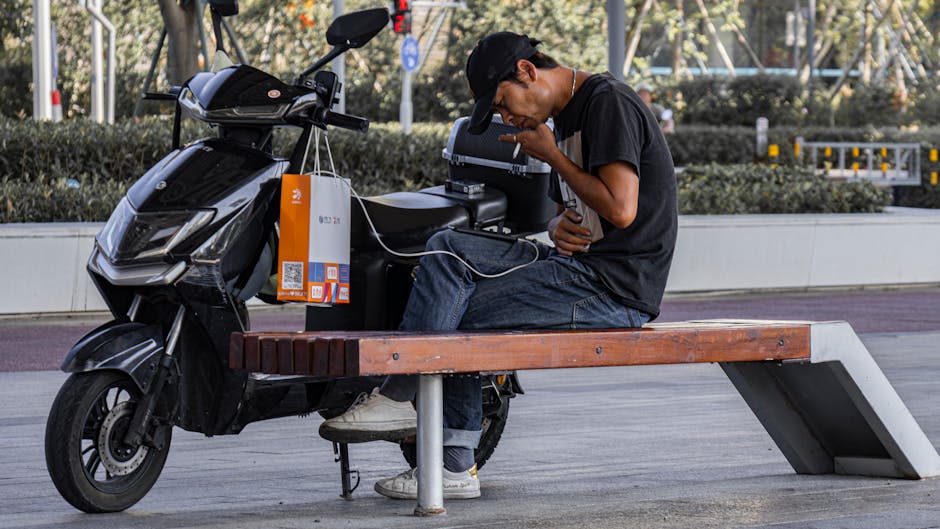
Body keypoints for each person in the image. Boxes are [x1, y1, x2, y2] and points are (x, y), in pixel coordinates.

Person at [319, 32, 678, 500]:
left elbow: (622, 208)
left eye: (504, 102)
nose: (506, 117)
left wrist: (551, 156)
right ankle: (435, 444)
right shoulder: (560, 118)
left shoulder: (605, 103)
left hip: (616, 290)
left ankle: (416, 417)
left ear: (528, 72)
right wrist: (556, 227)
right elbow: (571, 210)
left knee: (457, 313)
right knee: (447, 246)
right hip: (578, 269)